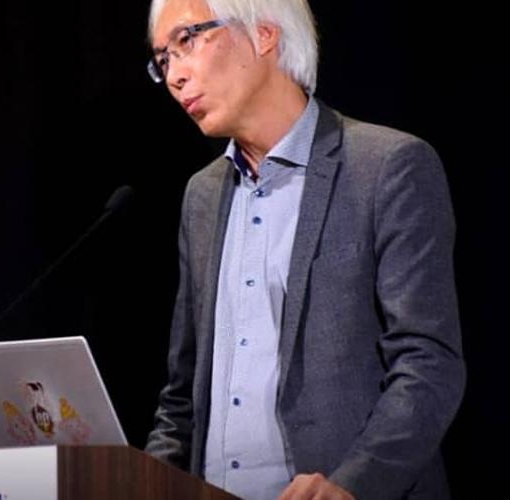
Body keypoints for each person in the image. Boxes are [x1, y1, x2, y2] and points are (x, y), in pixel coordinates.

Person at [141, 1, 466, 499]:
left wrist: (351, 485)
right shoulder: (202, 195)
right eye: (163, 59)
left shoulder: (387, 167)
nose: (174, 76)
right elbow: (183, 395)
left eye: (186, 41)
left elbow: (428, 366)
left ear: (264, 33)